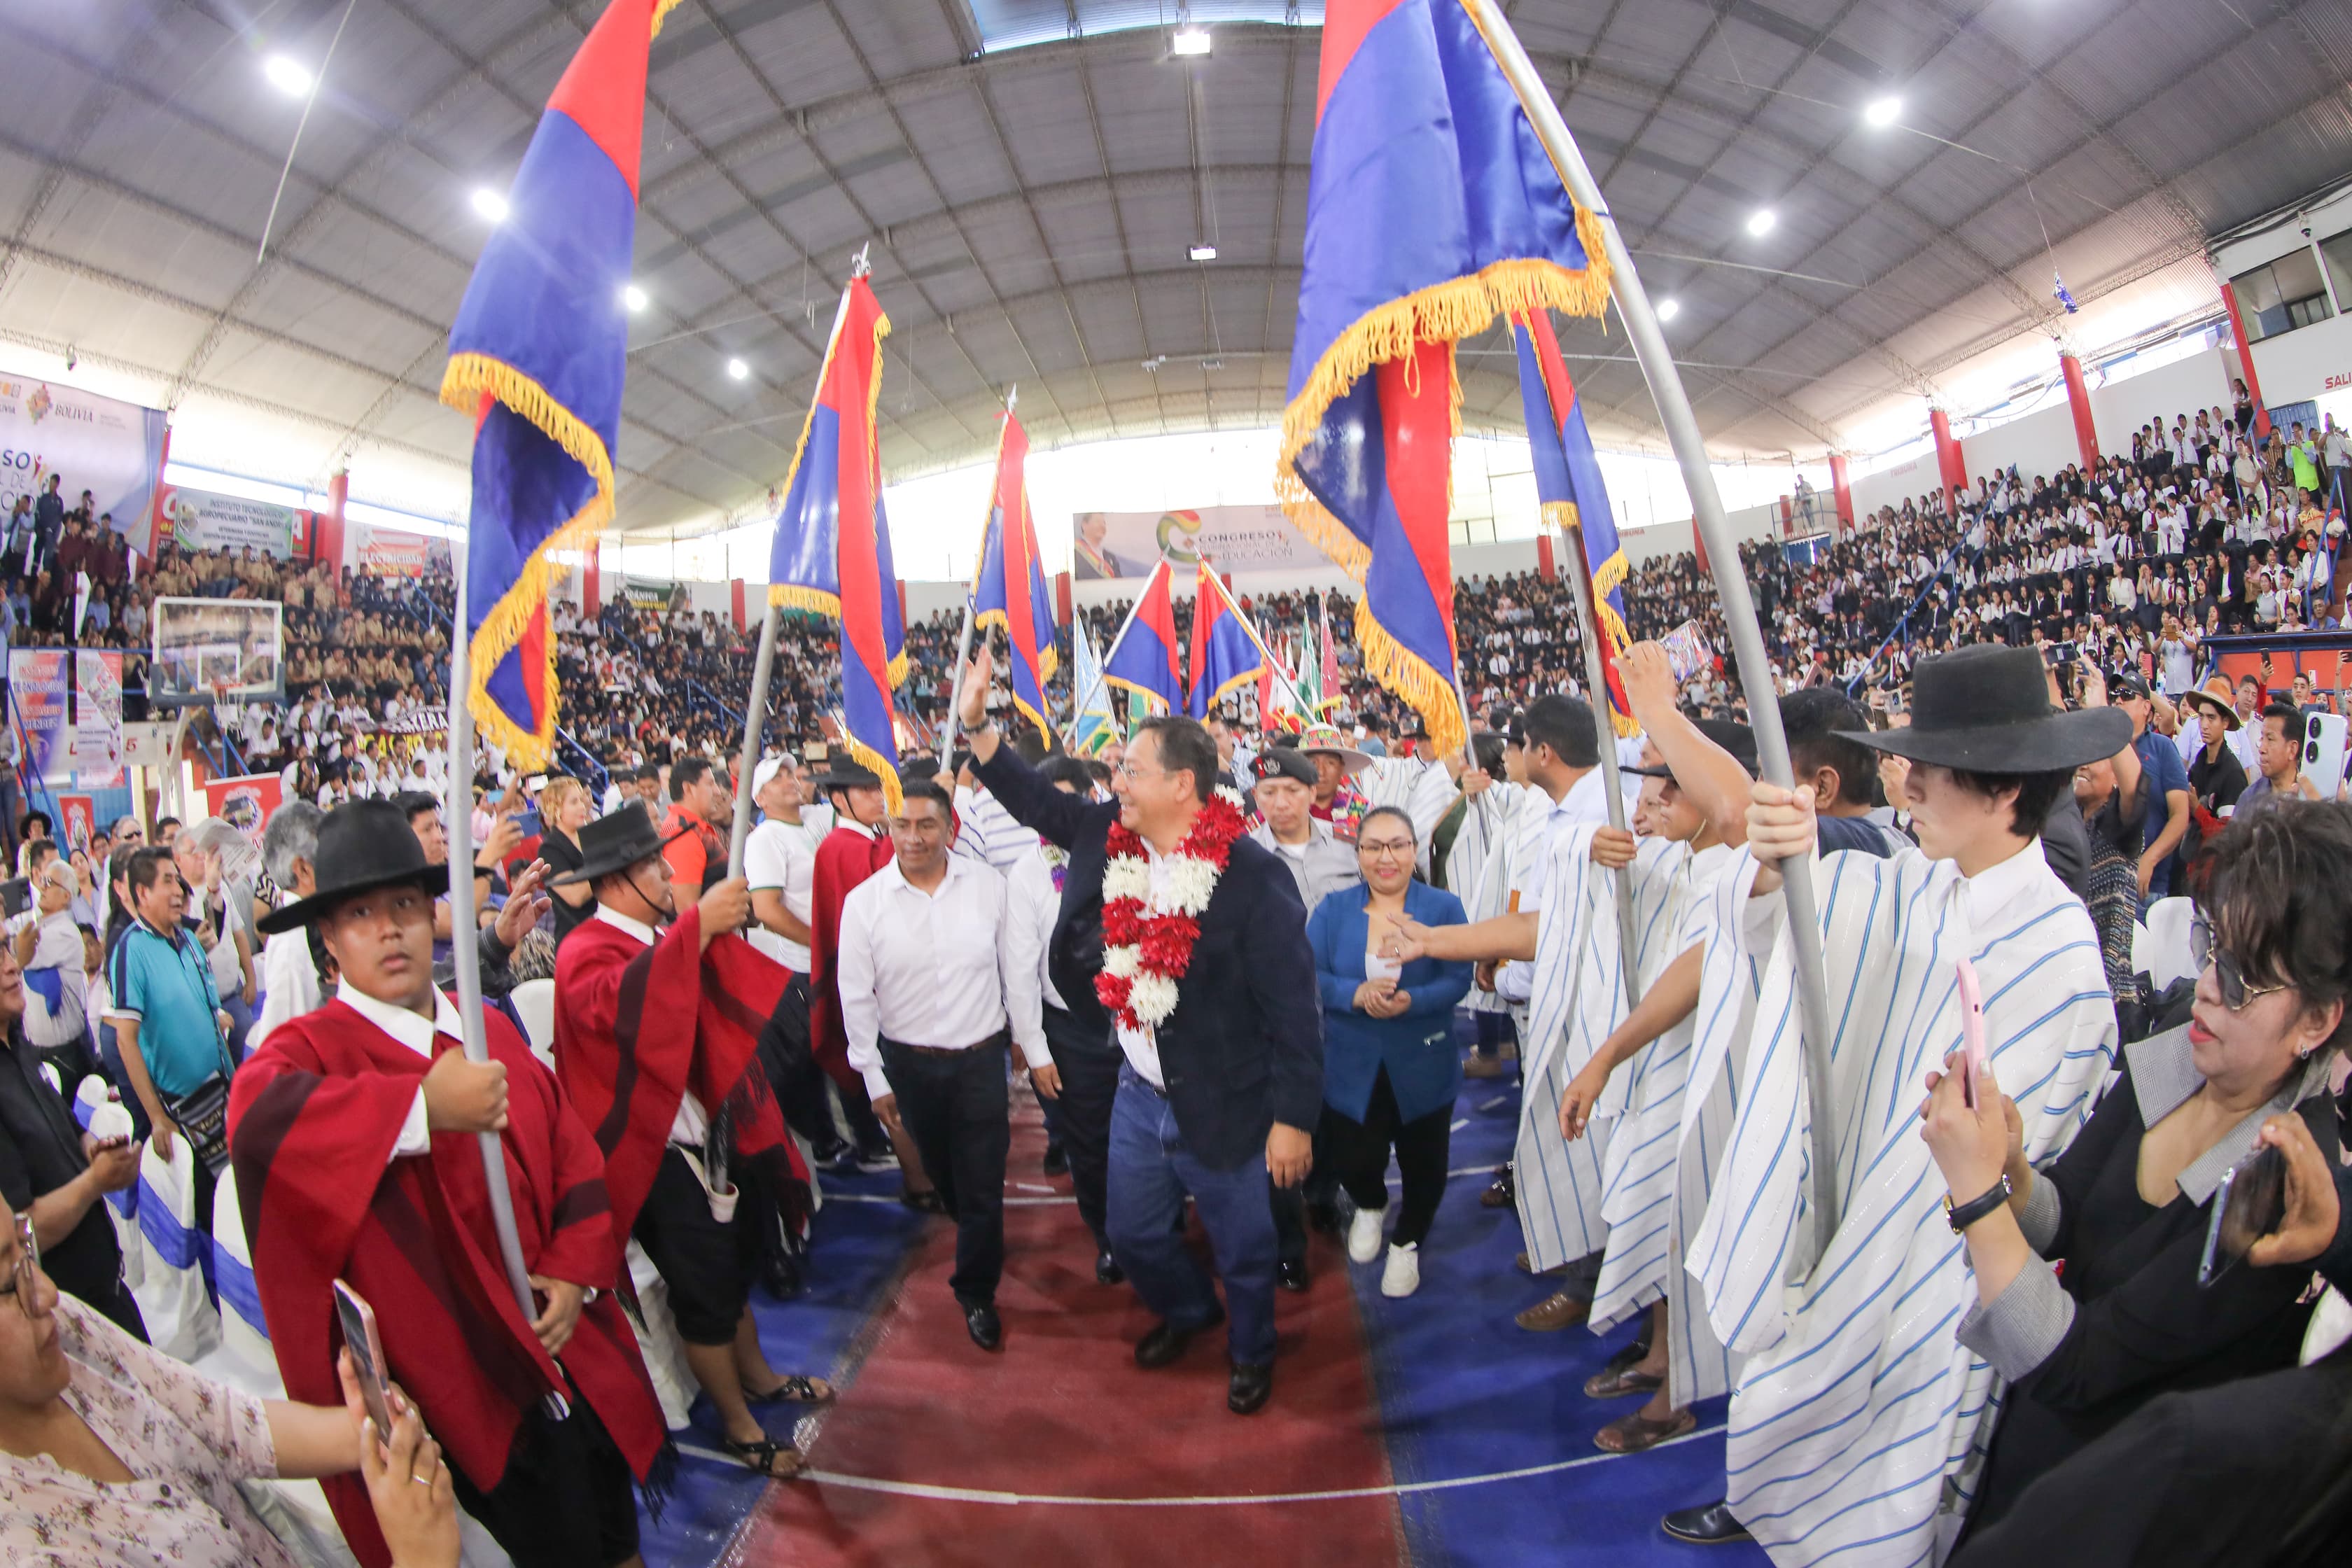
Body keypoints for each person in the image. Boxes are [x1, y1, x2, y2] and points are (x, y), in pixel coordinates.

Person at [1676, 644, 2127, 1558]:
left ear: (2005, 790)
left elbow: (2035, 1165)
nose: (1906, 788)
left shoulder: (2060, 957)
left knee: (1905, 1480)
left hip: (1943, 1270)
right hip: (1852, 1229)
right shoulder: (1913, 882)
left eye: (1931, 771)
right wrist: (1773, 859)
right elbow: (1786, 915)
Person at [229, 799, 671, 1568]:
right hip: (470, 1385)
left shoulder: (483, 1027)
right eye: (360, 913)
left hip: (569, 1337)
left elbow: (568, 1148)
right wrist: (418, 1107)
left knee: (616, 1526)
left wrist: (574, 1269)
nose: (389, 929)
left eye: (405, 904)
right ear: (327, 935)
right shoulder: (309, 1052)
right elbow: (257, 1118)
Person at [1922, 799, 2347, 1541]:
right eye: (2211, 946)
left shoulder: (2279, 1178)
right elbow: (2071, 1216)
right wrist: (2013, 1167)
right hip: (2033, 1452)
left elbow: (2076, 1365)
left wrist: (1979, 1195)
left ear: (2317, 1021)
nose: (2207, 984)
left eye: (2243, 979)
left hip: (2118, 1507)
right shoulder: (2188, 1043)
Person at [961, 648, 1322, 1415]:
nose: (1115, 781)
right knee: (1132, 1237)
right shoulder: (1107, 834)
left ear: (1181, 784)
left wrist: (1293, 1119)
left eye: (1130, 769)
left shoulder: (1254, 878)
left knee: (1246, 1248)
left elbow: (1296, 1012)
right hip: (1136, 1091)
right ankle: (1190, 1313)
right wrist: (978, 726)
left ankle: (1252, 1352)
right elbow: (1036, 801)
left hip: (1228, 1098)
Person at [552, 805, 825, 1478]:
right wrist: (696, 930)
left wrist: (696, 933)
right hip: (655, 1157)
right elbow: (620, 1008)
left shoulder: (657, 935)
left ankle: (758, 1378)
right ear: (614, 882)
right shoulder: (585, 950)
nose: (665, 873)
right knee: (704, 1292)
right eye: (650, 865)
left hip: (709, 1134)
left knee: (733, 1269)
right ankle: (738, 1425)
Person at [0, 1195, 465, 1568]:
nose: (46, 1292)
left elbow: (224, 1420)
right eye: (6, 1283)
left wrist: (371, 1433)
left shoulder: (65, 1334)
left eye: (25, 1248)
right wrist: (420, 1557)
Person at [837, 779, 1052, 1351]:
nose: (913, 837)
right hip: (908, 1067)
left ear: (950, 829)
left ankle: (976, 1290)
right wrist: (873, 1076)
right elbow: (855, 996)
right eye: (902, 825)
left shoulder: (989, 888)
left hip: (980, 1062)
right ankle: (974, 1227)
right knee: (944, 1175)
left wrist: (1024, 1037)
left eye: (926, 825)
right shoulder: (865, 904)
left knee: (982, 1182)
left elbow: (1015, 969)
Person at [1308, 806, 1470, 1299]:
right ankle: (1371, 1205)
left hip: (1423, 1060)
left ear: (1414, 850)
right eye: (1373, 847)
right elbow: (1309, 975)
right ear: (1357, 853)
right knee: (1355, 1158)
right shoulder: (1333, 910)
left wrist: (1413, 1001)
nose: (1386, 858)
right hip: (1350, 1062)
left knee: (1425, 1163)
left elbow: (1458, 978)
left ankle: (1407, 1243)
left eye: (1398, 845)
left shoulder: (1443, 908)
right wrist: (1353, 994)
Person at [1006, 755, 1125, 1285]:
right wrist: (1035, 1049)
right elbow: (1019, 967)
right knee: (1090, 1143)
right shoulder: (1027, 873)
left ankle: (1161, 1224)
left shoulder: (1129, 849)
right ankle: (1108, 1237)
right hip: (1073, 1031)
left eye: (1065, 805)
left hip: (1143, 1021)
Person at [0, 947, 144, 1338]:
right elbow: (22, 1232)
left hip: (107, 1287)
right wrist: (95, 1181)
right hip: (65, 1319)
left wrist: (93, 1149)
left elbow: (68, 1130)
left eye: (6, 950)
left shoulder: (18, 1046)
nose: (12, 965)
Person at [808, 755, 932, 1200]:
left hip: (889, 980)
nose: (879, 797)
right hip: (876, 985)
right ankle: (914, 1178)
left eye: (880, 788)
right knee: (891, 1081)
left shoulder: (860, 841)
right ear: (839, 799)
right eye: (866, 790)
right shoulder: (844, 847)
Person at [102, 848, 232, 1228]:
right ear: (142, 893)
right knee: (212, 1215)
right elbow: (126, 1040)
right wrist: (157, 1118)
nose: (178, 890)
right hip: (181, 1107)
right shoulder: (131, 950)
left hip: (223, 1090)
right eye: (168, 881)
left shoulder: (188, 939)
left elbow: (207, 1003)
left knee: (240, 1197)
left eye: (178, 880)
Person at [15, 860, 97, 1098]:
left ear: (66, 896)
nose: (42, 886)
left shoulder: (66, 932)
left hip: (65, 1055)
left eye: (50, 882)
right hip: (39, 1052)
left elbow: (24, 957)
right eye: (42, 880)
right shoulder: (40, 927)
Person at [1245, 745, 1361, 915]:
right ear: (1256, 796)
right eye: (1269, 793)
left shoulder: (1349, 843)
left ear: (1312, 793)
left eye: (1293, 791)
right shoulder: (1246, 856)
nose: (1281, 804)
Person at [251, 802, 327, 1051]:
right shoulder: (291, 943)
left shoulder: (317, 922)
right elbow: (280, 1047)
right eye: (328, 852)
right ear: (303, 870)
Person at [2114, 671, 2191, 896]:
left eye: (2127, 695)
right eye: (2115, 695)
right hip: (2108, 882)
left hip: (2149, 887)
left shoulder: (2163, 748)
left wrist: (2150, 858)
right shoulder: (2105, 748)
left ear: (2146, 707)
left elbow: (2180, 814)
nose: (2118, 700)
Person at [535, 775, 596, 944]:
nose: (582, 806)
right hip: (576, 940)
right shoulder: (549, 849)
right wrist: (608, 869)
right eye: (574, 802)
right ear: (556, 808)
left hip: (603, 931)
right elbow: (575, 896)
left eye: (581, 800)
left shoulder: (591, 837)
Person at [659, 755, 729, 901]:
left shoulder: (690, 828)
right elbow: (686, 908)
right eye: (710, 784)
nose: (717, 791)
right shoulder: (683, 836)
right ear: (689, 789)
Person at [2237, 700, 2323, 815]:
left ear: (2292, 749)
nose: (2262, 749)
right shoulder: (2249, 799)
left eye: (2270, 739)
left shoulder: (2312, 798)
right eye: (2262, 738)